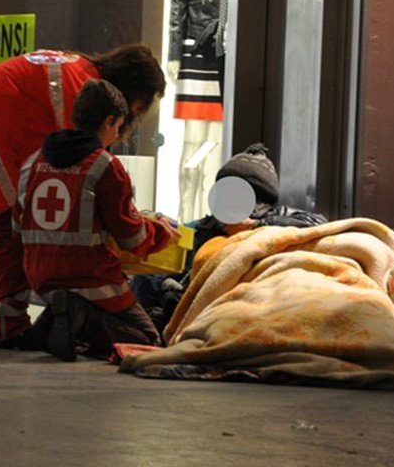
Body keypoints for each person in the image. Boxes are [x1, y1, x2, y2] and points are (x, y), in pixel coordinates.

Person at [0, 46, 165, 348]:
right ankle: (11, 325)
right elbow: (78, 178)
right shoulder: (87, 94)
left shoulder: (79, 71)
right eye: (137, 108)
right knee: (6, 226)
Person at [14, 79, 178, 362]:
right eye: (117, 127)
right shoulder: (105, 166)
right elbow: (132, 238)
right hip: (92, 279)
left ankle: (57, 320)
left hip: (41, 276)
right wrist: (162, 230)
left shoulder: (33, 162)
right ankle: (80, 318)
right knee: (147, 339)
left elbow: (18, 226)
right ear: (109, 121)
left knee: (81, 311)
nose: (115, 136)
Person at [132, 142, 328, 333]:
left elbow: (319, 224)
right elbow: (177, 243)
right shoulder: (205, 228)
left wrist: (257, 226)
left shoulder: (279, 219)